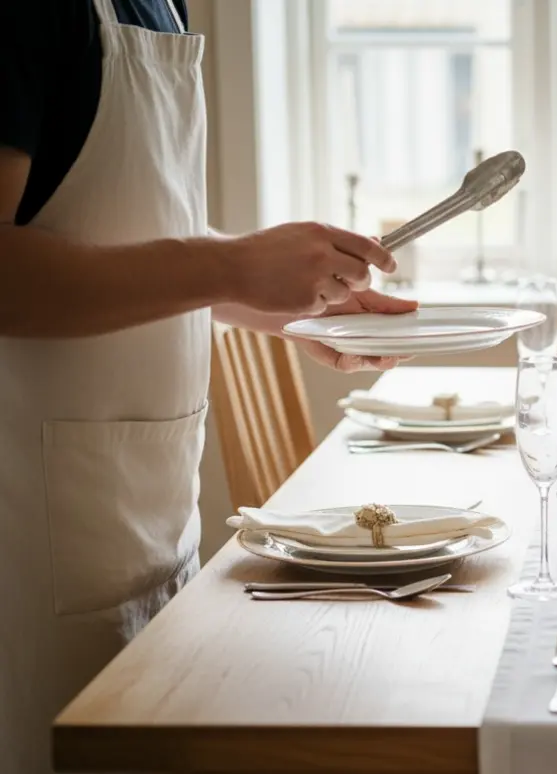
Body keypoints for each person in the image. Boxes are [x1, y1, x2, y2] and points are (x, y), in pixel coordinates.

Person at [0, 2, 418, 771]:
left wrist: (290, 305)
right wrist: (229, 265)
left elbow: (122, 239)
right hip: (32, 549)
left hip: (154, 524)